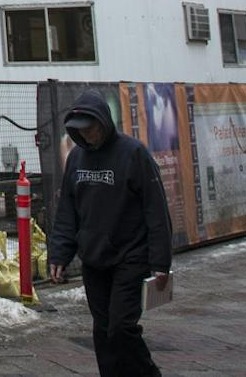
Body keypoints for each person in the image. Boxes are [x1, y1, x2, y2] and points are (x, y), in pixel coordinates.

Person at [47, 90, 173, 377]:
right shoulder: (77, 159)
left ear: (103, 123)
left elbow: (156, 209)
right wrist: (60, 253)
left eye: (91, 129)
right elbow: (68, 209)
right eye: (81, 131)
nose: (88, 135)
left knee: (121, 328)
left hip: (131, 256)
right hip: (94, 259)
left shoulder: (133, 153)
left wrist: (160, 262)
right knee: (103, 331)